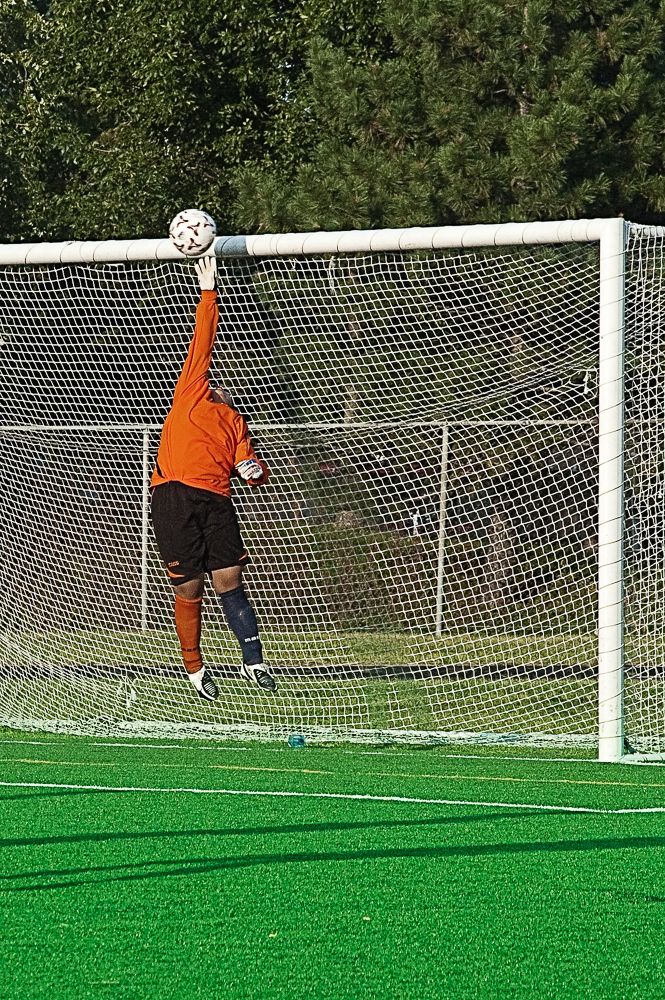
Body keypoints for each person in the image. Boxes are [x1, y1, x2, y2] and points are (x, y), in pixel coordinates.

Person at [150, 255, 276, 700]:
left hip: (218, 501)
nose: (225, 385)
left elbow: (251, 467)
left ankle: (253, 660)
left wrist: (253, 471)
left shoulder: (237, 421)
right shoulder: (191, 392)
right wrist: (209, 291)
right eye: (219, 380)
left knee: (229, 578)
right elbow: (202, 342)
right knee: (189, 584)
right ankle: (195, 667)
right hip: (175, 495)